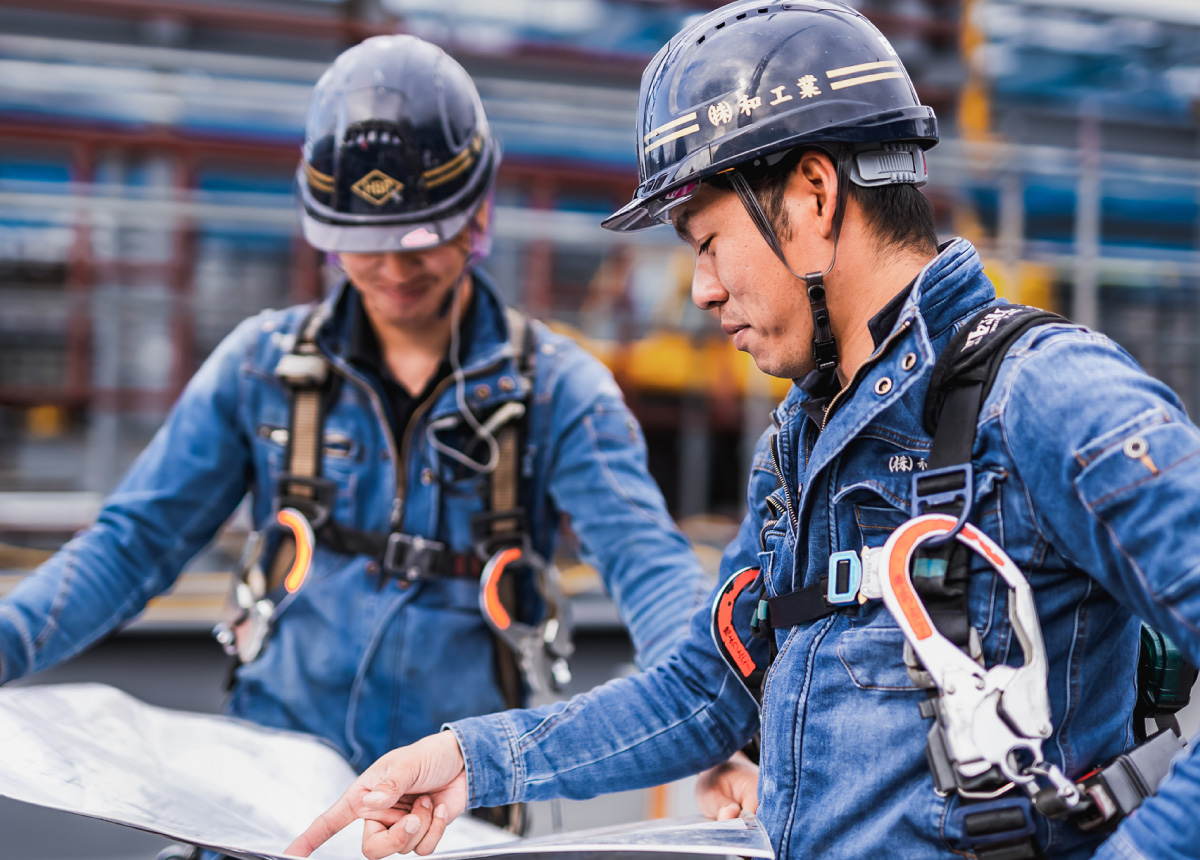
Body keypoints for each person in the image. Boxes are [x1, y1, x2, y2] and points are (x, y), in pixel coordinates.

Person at [287, 3, 1200, 860]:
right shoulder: (804, 443)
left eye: (706, 239)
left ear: (811, 197)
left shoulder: (1046, 398)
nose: (702, 290)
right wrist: (469, 760)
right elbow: (706, 692)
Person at [0, 33, 715, 828]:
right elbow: (130, 544)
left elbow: (650, 566)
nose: (395, 271)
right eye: (365, 248)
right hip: (270, 808)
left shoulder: (556, 390)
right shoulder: (259, 370)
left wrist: (715, 721)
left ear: (478, 211)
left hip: (448, 817)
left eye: (422, 242)